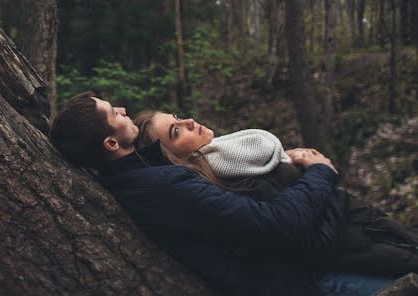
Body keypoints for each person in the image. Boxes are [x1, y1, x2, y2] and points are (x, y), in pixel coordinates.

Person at [48, 92, 410, 296]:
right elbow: (279, 224)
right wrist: (320, 173)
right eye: (113, 113)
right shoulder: (162, 187)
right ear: (111, 143)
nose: (122, 108)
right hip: (304, 284)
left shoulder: (146, 178)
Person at [134, 110, 418, 279]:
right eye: (176, 131)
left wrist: (299, 169)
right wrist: (321, 175)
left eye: (179, 117)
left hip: (367, 226)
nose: (189, 121)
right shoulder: (233, 184)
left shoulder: (240, 157)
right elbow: (313, 243)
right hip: (363, 250)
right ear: (175, 158)